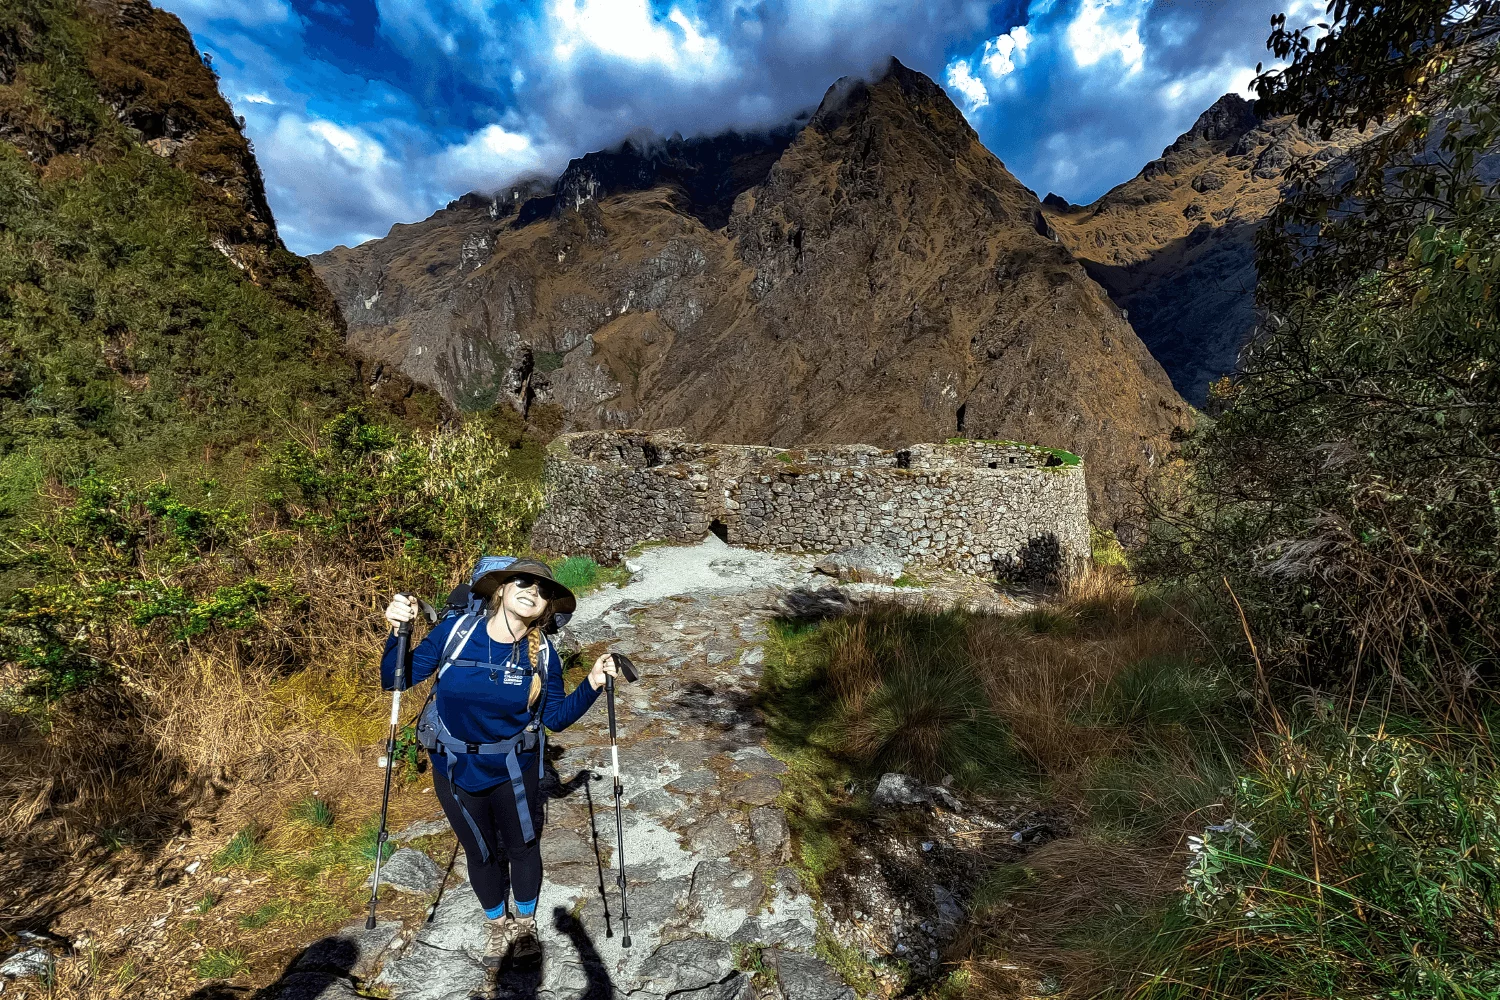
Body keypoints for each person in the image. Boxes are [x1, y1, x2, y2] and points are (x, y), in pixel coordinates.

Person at [382, 559, 617, 970]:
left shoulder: (543, 654)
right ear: (501, 590)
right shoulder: (455, 634)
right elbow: (395, 679)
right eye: (522, 581)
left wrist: (594, 683)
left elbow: (556, 718)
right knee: (481, 852)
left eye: (543, 591)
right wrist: (397, 630)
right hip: (453, 768)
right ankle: (497, 923)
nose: (533, 591)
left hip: (514, 767)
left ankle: (524, 926)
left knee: (523, 847)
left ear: (546, 609)